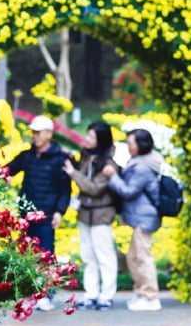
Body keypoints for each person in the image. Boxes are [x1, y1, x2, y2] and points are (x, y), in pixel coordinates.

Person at [6, 115, 72, 311]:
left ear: (49, 134)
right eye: (33, 132)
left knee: (45, 256)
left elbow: (64, 189)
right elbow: (7, 171)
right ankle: (29, 293)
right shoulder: (27, 156)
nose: (34, 136)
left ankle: (45, 295)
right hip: (26, 215)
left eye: (38, 132)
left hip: (47, 216)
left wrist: (60, 212)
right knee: (26, 255)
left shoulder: (60, 158)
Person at [102, 128, 163, 311]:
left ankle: (151, 297)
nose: (128, 146)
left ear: (141, 145)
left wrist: (112, 176)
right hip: (139, 216)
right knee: (133, 257)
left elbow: (128, 191)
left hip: (145, 218)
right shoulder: (138, 162)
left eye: (131, 143)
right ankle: (141, 293)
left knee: (143, 257)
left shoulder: (143, 167)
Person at [62, 121, 118, 311]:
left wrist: (73, 173)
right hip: (85, 214)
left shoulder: (108, 164)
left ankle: (106, 296)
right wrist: (73, 162)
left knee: (105, 256)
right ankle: (91, 294)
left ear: (101, 140)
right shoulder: (87, 156)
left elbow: (94, 188)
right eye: (88, 135)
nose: (87, 139)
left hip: (101, 215)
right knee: (88, 256)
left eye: (92, 137)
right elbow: (84, 173)